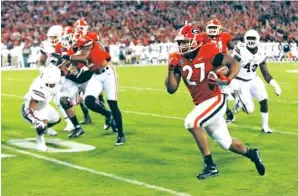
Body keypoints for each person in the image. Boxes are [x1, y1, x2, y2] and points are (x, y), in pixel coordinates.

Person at [165, 25, 265, 179]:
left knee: (191, 122)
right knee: (226, 143)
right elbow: (171, 89)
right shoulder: (178, 59)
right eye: (181, 42)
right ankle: (252, 154)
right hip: (202, 104)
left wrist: (227, 79)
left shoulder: (208, 51)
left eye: (185, 42)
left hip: (215, 99)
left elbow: (234, 64)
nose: (182, 45)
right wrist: (171, 69)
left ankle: (210, 166)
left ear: (195, 41)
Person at [57, 29, 125, 145]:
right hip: (96, 75)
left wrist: (66, 57)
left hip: (108, 73)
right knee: (88, 101)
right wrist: (57, 68)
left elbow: (83, 57)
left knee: (113, 104)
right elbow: (69, 61)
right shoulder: (75, 48)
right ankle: (107, 114)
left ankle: (121, 134)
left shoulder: (87, 41)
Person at [231, 29, 281, 133]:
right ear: (245, 39)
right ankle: (238, 100)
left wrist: (276, 85)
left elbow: (265, 72)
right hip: (240, 81)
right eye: (249, 38)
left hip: (253, 79)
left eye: (253, 38)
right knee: (249, 110)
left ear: (257, 39)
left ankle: (265, 126)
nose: (251, 41)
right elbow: (232, 65)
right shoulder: (240, 50)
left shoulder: (261, 51)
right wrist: (232, 81)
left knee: (264, 99)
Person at [200, 19, 235, 123]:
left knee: (219, 88)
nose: (212, 30)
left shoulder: (225, 36)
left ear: (219, 28)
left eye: (214, 28)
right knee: (213, 92)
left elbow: (233, 47)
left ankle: (233, 94)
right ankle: (228, 112)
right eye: (210, 28)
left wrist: (229, 57)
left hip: (222, 65)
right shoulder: (203, 37)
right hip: (209, 65)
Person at [21, 66, 61, 151]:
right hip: (31, 109)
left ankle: (46, 128)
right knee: (43, 123)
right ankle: (40, 142)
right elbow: (30, 109)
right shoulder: (39, 86)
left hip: (43, 105)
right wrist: (36, 121)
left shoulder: (52, 79)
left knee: (56, 119)